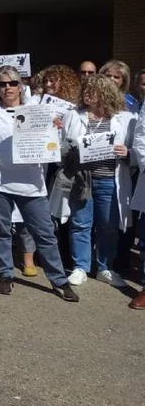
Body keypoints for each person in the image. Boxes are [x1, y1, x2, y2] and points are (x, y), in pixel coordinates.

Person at [0, 66, 78, 301]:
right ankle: (5, 274)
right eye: (2, 84)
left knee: (45, 233)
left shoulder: (38, 112)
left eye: (12, 83)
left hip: (31, 183)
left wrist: (56, 130)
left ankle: (58, 279)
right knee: (1, 231)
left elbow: (52, 148)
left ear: (21, 86)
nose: (8, 88)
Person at [61, 75, 135, 288]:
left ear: (105, 94)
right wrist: (71, 151)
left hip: (110, 180)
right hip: (82, 180)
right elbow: (62, 144)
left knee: (108, 226)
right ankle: (80, 267)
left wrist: (126, 152)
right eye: (85, 90)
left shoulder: (124, 118)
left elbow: (136, 150)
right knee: (80, 224)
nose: (86, 94)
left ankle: (105, 267)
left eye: (91, 90)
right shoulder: (74, 115)